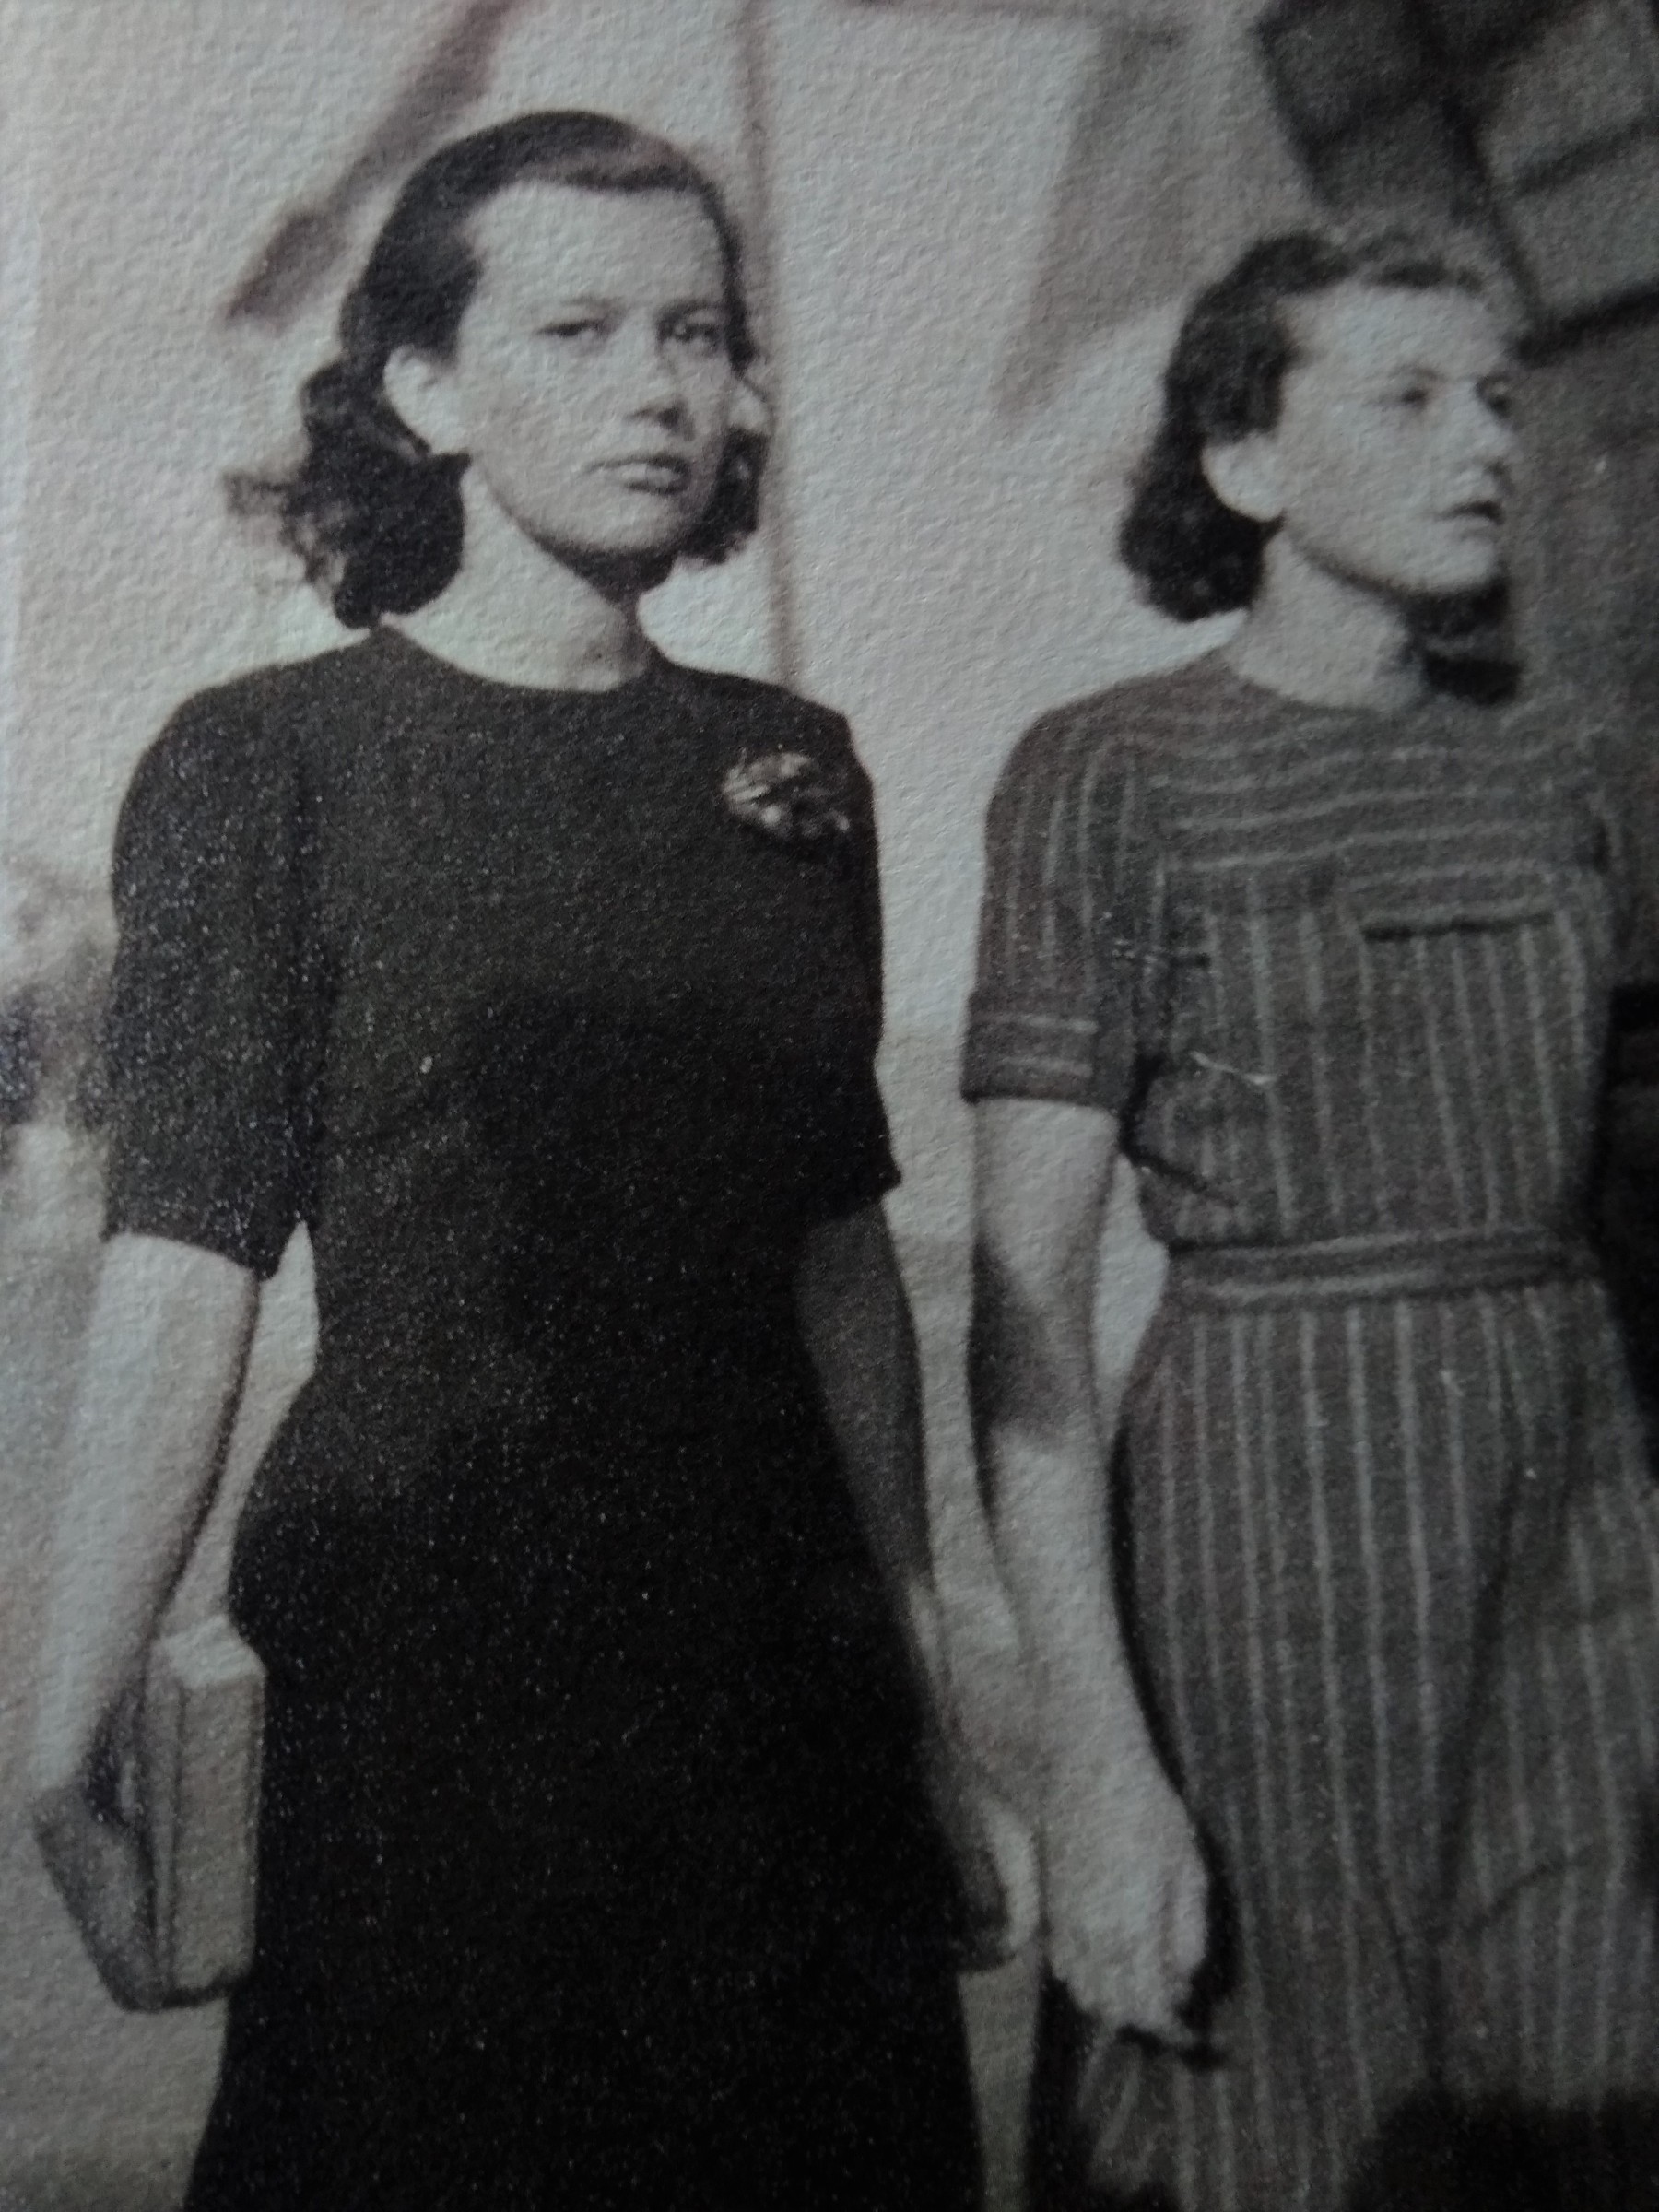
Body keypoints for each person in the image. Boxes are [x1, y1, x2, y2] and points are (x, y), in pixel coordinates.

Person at [30, 112, 991, 2210]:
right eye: (581, 331)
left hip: (777, 1664)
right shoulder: (263, 765)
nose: (663, 389)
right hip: (427, 1655)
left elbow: (836, 1263)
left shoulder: (794, 771)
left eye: (699, 335)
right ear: (427, 390)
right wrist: (67, 1719)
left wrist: (921, 1696)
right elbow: (184, 1268)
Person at [964, 228, 1659, 2210]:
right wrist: (1096, 1759)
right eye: (1410, 400)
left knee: (1603, 2099)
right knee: (1278, 2127)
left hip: (1582, 1529)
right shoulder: (1110, 774)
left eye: (1499, 400)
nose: (1488, 446)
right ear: (1247, 461)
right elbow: (1027, 1313)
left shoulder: (1569, 764)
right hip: (1268, 1533)